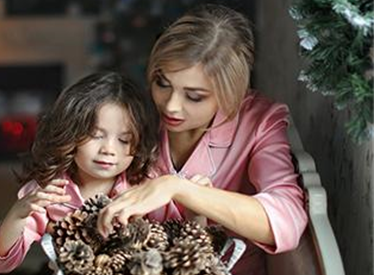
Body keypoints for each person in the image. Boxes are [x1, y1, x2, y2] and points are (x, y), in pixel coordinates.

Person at [97, 4, 308, 275]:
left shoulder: (258, 122)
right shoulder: (134, 116)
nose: (171, 106)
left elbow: (286, 221)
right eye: (162, 83)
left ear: (230, 92)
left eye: (194, 96)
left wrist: (181, 189)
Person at [0, 71, 160, 273]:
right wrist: (17, 214)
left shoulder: (147, 186)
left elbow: (180, 242)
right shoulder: (49, 191)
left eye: (124, 140)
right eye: (95, 135)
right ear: (71, 132)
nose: (109, 150)